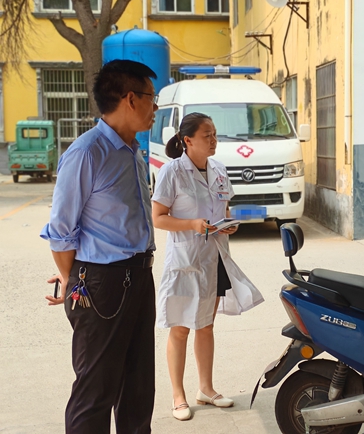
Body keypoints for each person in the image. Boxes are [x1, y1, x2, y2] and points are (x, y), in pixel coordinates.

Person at [40, 59, 158, 433]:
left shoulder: (133, 151)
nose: (155, 108)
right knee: (95, 391)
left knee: (138, 388)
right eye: (151, 99)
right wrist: (72, 279)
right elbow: (61, 232)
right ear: (130, 99)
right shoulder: (87, 153)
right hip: (102, 285)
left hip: (140, 277)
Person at [151, 112, 264, 421]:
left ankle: (206, 388)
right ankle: (178, 395)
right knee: (180, 328)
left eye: (215, 134)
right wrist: (192, 224)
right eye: (207, 135)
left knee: (206, 325)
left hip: (214, 257)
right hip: (186, 260)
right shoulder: (171, 172)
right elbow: (158, 217)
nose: (214, 140)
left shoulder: (219, 170)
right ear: (188, 141)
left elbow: (223, 208)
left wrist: (228, 225)